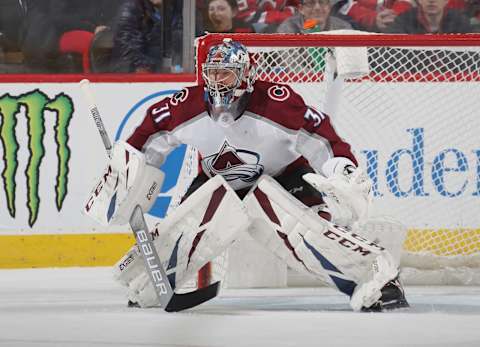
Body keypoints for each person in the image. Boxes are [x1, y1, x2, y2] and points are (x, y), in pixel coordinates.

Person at [84, 39, 409, 312]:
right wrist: (127, 169)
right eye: (212, 73)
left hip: (285, 178)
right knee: (180, 234)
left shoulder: (277, 104)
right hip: (218, 181)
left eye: (226, 73)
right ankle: (151, 279)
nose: (217, 81)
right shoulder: (186, 106)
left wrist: (341, 170)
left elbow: (323, 138)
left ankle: (376, 277)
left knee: (306, 233)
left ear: (245, 76)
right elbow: (148, 137)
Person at [110, 0, 172, 73]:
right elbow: (126, 52)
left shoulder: (163, 10)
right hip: (133, 75)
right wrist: (154, 67)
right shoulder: (131, 9)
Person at [385, 0, 473, 33]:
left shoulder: (460, 22)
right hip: (415, 73)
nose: (431, 1)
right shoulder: (402, 21)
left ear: (447, 1)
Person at [277, 0, 352, 33]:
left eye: (322, 2)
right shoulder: (288, 28)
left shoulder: (344, 28)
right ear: (301, 9)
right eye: (310, 2)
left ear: (329, 7)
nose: (317, 8)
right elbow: (290, 62)